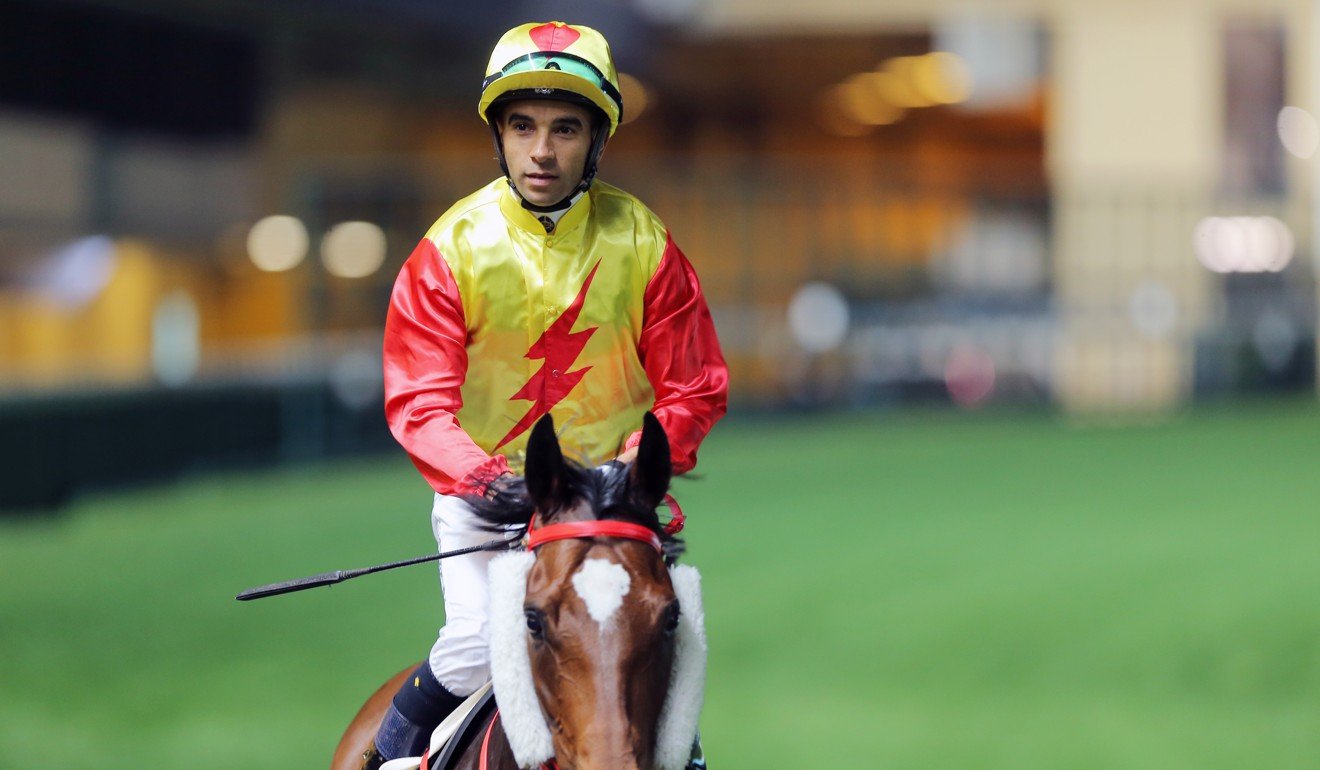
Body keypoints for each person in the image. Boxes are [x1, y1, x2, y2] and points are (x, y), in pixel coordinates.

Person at [366, 20, 728, 769]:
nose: (541, 151)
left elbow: (693, 386)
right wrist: (491, 483)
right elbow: (419, 404)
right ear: (497, 134)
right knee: (473, 641)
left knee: (666, 638)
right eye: (522, 126)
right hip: (490, 495)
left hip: (612, 505)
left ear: (596, 140)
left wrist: (631, 473)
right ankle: (391, 752)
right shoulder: (449, 249)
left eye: (565, 128)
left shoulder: (645, 242)